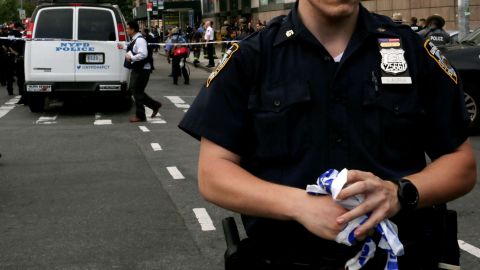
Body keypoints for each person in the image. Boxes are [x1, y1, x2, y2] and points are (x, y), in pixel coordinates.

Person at [179, 0, 476, 269]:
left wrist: (399, 192)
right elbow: (213, 173)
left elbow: (460, 163)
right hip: (282, 258)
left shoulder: (412, 51)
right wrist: (298, 205)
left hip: (397, 259)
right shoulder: (253, 57)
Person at [124, 21, 161, 123]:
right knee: (134, 89)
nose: (126, 30)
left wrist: (131, 58)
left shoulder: (140, 40)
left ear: (132, 29)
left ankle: (140, 115)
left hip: (142, 70)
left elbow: (143, 54)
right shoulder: (135, 40)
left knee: (137, 91)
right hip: (138, 68)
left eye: (127, 28)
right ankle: (154, 105)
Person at [5, 22, 25, 99]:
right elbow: (21, 46)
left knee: (9, 74)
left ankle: (10, 90)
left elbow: (5, 45)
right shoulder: (20, 35)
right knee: (20, 75)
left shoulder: (8, 34)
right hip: (18, 57)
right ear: (19, 27)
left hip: (9, 56)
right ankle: (20, 91)